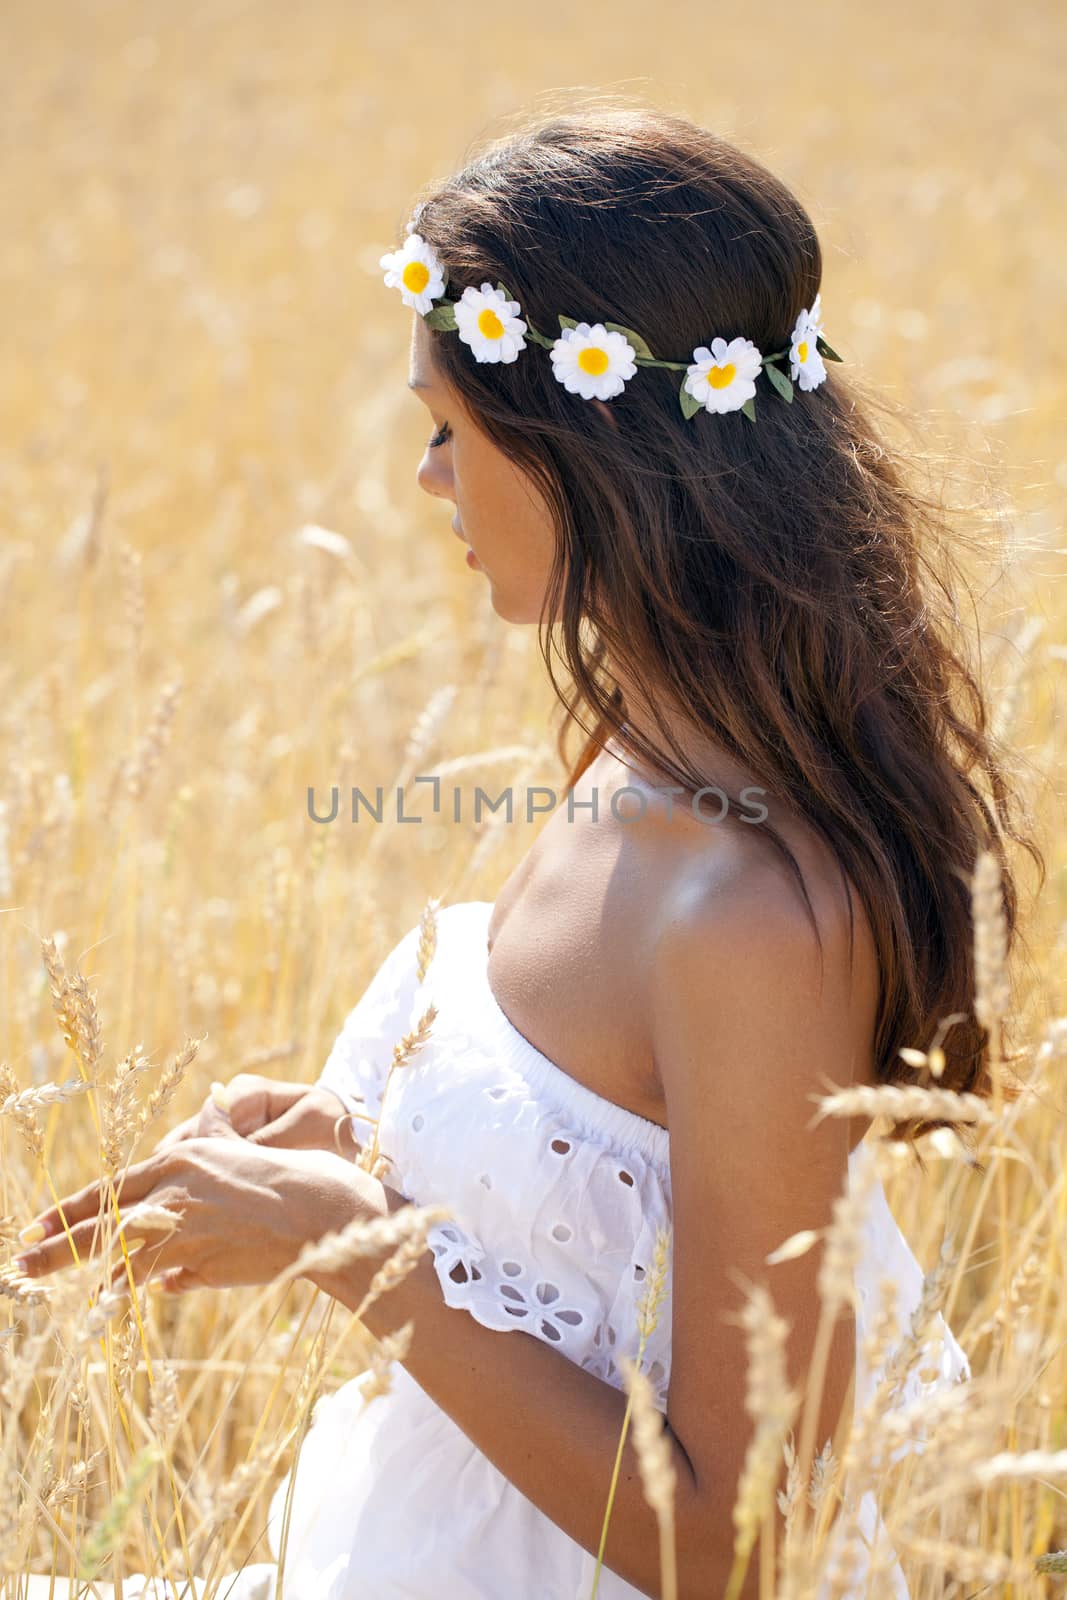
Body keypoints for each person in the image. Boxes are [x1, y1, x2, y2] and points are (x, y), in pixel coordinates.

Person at [16, 103, 1042, 1599]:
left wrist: (355, 1251)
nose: (430, 478)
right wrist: (349, 1144)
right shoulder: (641, 745)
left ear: (587, 440)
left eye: (448, 426)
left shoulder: (754, 913)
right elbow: (596, 1204)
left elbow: (741, 1551)